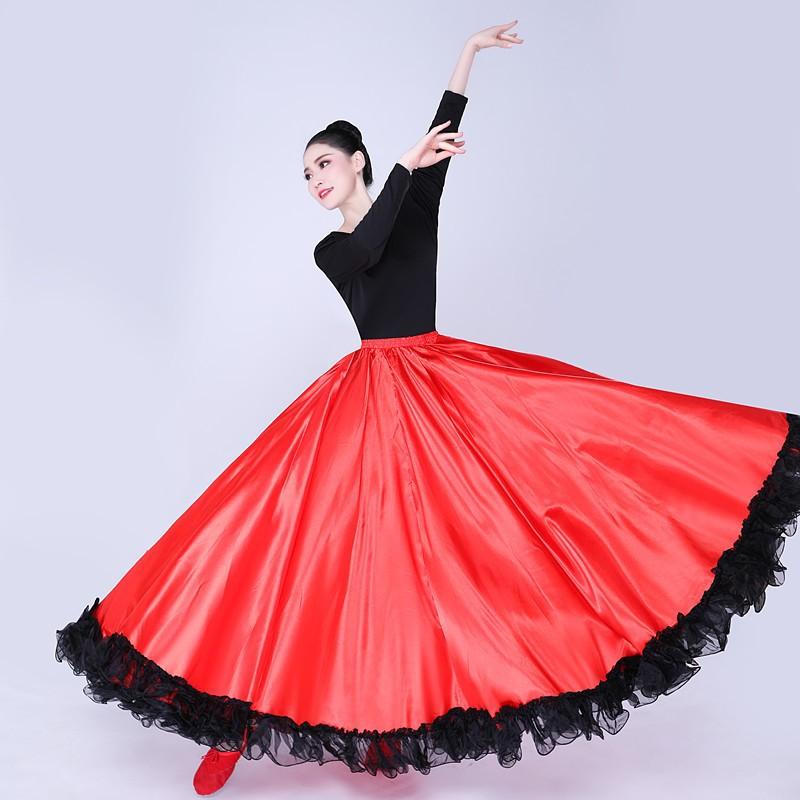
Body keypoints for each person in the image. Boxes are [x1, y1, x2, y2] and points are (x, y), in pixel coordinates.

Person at [55, 19, 800, 796]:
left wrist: (466, 59)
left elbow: (435, 145)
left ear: (357, 160)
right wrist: (404, 169)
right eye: (305, 173)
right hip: (360, 406)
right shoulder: (332, 249)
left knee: (455, 553)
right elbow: (368, 248)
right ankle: (233, 727)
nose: (314, 180)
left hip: (439, 391)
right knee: (293, 563)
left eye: (324, 163)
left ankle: (389, 732)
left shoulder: (412, 202)